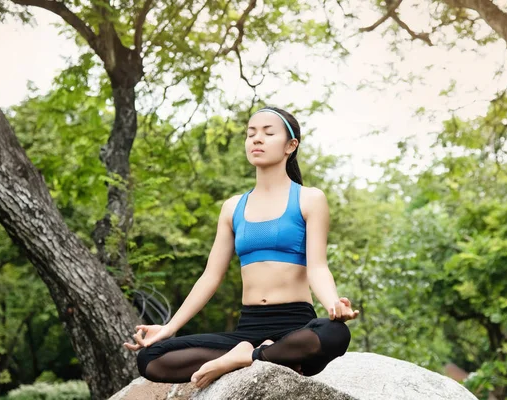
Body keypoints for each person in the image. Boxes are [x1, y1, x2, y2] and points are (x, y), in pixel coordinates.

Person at [123, 106, 360, 389]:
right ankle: (258, 353)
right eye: (251, 134)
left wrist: (334, 305)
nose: (256, 139)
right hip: (248, 328)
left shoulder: (309, 199)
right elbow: (210, 277)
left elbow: (317, 267)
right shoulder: (233, 207)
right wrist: (169, 328)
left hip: (295, 326)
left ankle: (251, 356)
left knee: (334, 334)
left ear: (291, 145)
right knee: (151, 357)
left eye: (268, 133)